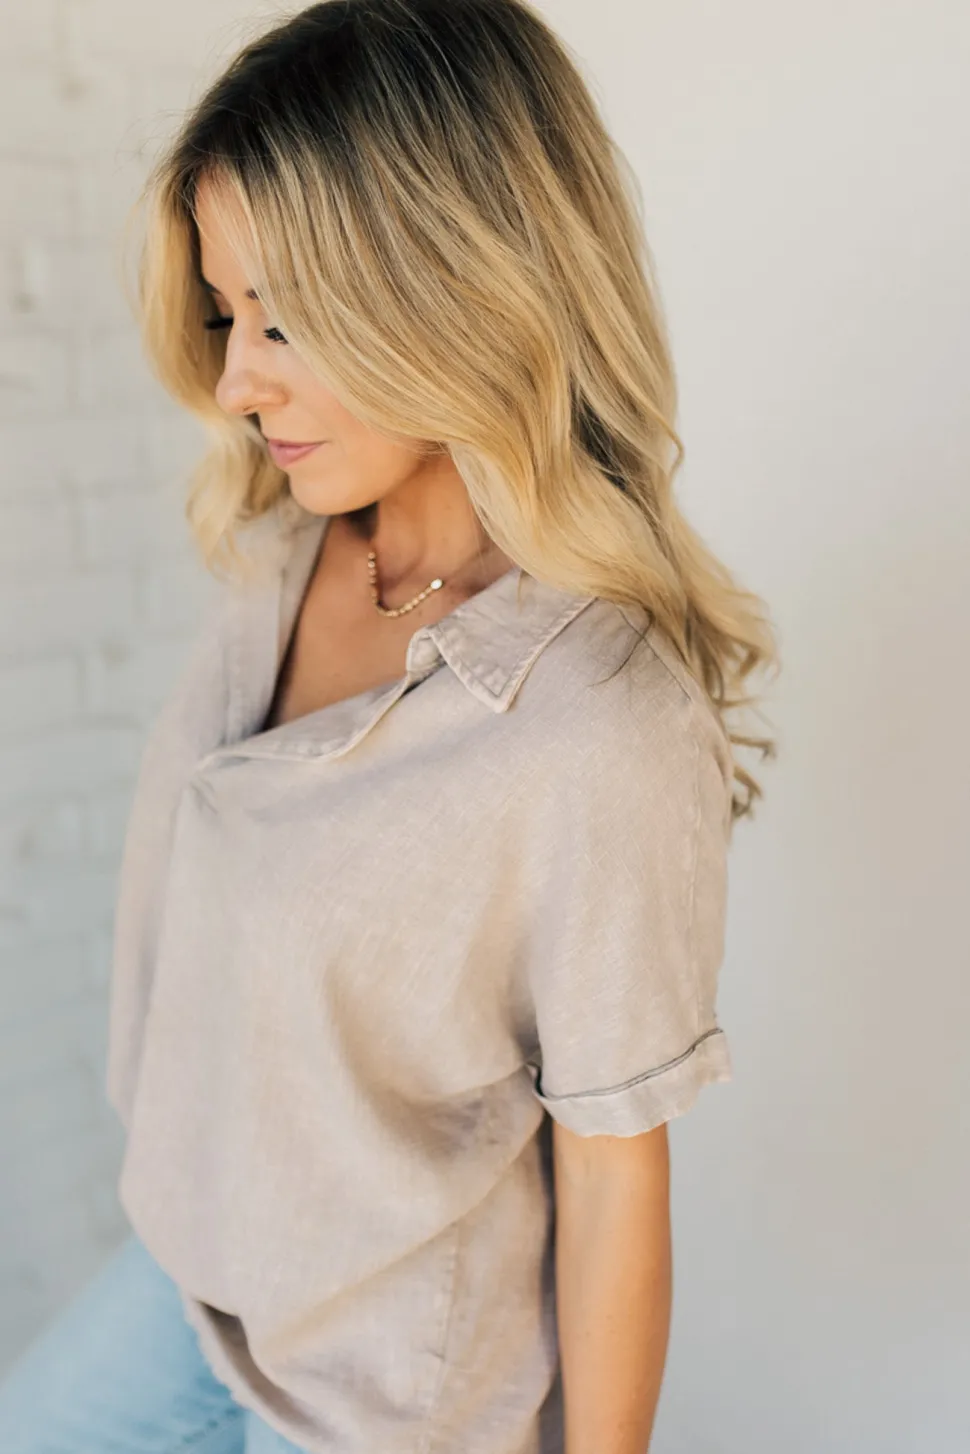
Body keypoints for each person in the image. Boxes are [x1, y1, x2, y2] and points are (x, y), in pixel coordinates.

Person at [0, 1, 779, 1451]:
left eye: (285, 320)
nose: (235, 382)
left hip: (387, 1393)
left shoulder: (597, 722)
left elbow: (614, 1175)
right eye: (229, 313)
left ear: (459, 290)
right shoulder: (287, 534)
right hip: (193, 1277)